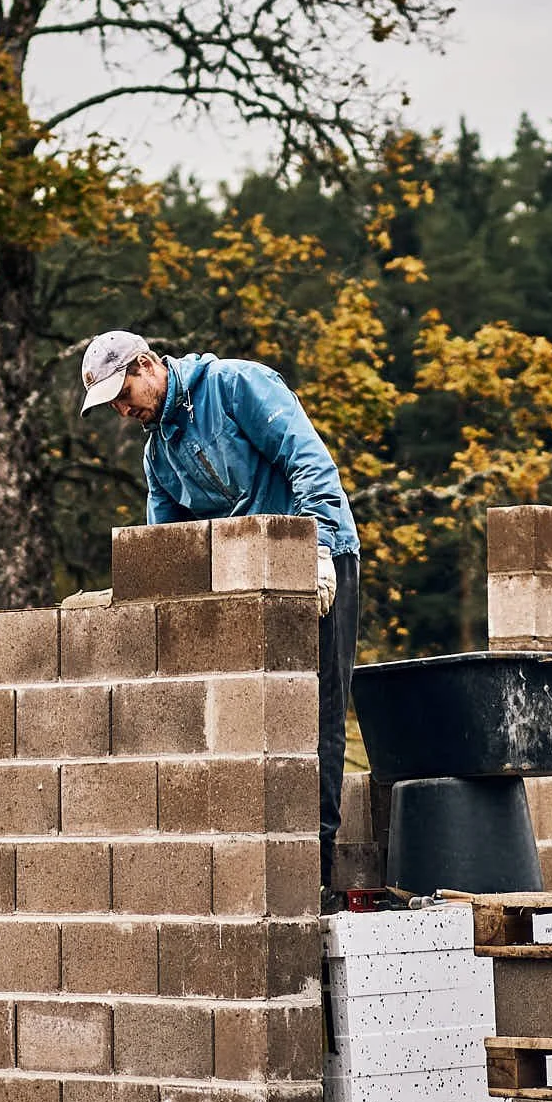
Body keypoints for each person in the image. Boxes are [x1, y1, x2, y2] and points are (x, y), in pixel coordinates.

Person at [80, 329, 359, 898]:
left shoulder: (236, 386)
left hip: (313, 561)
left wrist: (320, 548)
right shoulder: (159, 451)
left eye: (123, 391)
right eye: (111, 402)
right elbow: (164, 548)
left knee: (316, 713)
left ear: (147, 364)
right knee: (246, 720)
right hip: (244, 586)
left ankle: (318, 872)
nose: (122, 408)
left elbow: (308, 462)